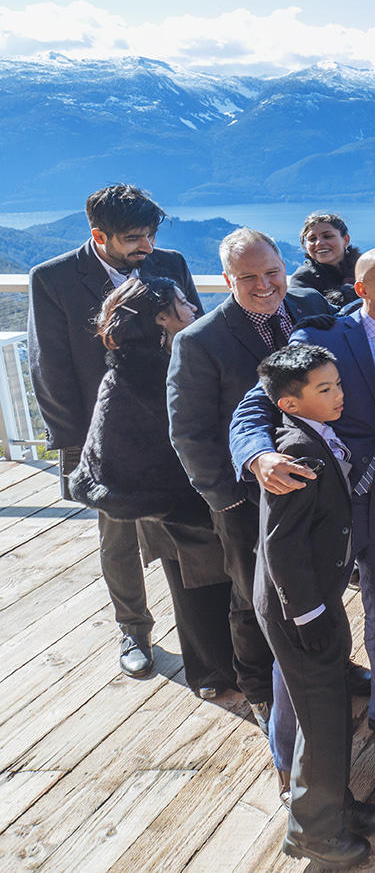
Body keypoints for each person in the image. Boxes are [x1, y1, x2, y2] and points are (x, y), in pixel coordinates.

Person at [231, 247, 375, 746]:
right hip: (322, 508)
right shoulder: (320, 338)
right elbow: (255, 405)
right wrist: (258, 456)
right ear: (362, 289)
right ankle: (289, 748)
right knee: (303, 625)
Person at [168, 229, 345, 774]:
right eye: (248, 277)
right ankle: (262, 691)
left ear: (284, 265)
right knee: (254, 598)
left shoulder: (311, 307)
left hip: (318, 489)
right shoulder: (199, 341)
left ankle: (328, 668)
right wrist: (228, 503)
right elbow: (189, 432)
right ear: (227, 280)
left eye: (271, 272)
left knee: (320, 582)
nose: (265, 285)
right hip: (248, 500)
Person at [28, 184, 201, 678]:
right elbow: (49, 367)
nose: (147, 246)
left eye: (150, 235)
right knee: (118, 535)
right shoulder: (53, 277)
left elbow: (196, 334)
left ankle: (206, 632)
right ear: (99, 235)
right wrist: (75, 446)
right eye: (134, 238)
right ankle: (134, 629)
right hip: (106, 434)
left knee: (195, 530)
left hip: (175, 423)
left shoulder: (171, 263)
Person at [251, 344, 375, 870]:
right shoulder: (298, 454)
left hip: (316, 598)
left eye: (338, 384)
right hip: (298, 609)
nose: (338, 395)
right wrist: (309, 618)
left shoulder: (316, 435)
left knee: (327, 713)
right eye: (325, 389)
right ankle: (313, 833)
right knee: (323, 719)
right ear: (289, 403)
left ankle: (335, 804)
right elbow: (282, 547)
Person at [69, 277, 234, 700]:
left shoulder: (190, 354)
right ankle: (213, 676)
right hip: (172, 507)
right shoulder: (129, 376)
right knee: (195, 589)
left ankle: (232, 670)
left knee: (222, 584)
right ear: (162, 317)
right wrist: (178, 498)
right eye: (182, 302)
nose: (193, 307)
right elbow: (111, 450)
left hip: (203, 495)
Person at [291, 213, 361, 308]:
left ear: (346, 240)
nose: (319, 243)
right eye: (312, 239)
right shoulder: (302, 279)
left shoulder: (366, 268)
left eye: (328, 236)